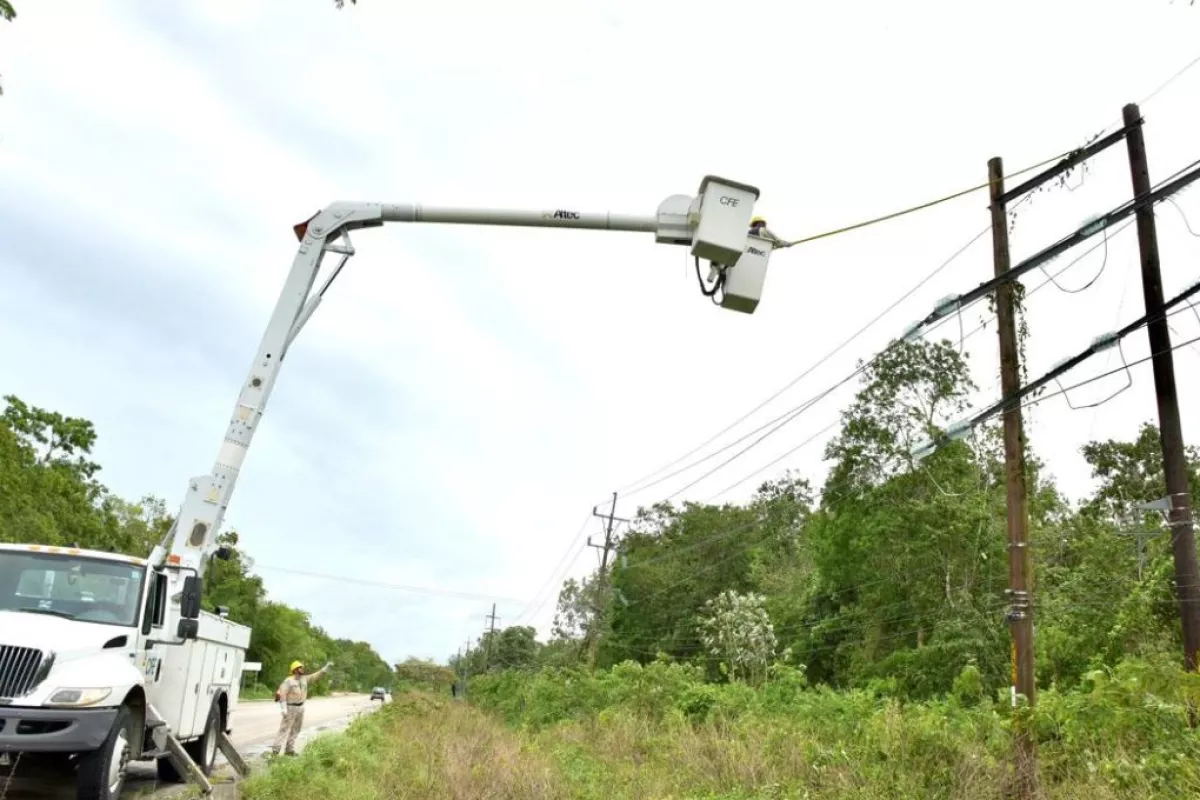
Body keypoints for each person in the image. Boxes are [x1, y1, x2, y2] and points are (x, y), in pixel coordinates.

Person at [270, 659, 332, 757]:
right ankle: (275, 751)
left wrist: (324, 669)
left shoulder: (304, 679)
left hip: (300, 708)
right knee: (284, 729)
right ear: (295, 669)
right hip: (290, 708)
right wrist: (283, 708)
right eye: (300, 667)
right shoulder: (288, 681)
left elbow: (315, 676)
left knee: (296, 729)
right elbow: (282, 694)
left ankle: (289, 750)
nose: (302, 669)